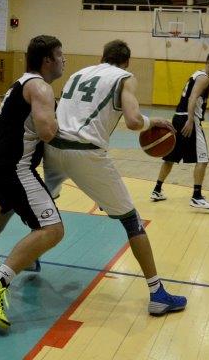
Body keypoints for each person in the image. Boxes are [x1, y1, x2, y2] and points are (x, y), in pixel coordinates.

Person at [44, 39, 187, 317]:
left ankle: (19, 255)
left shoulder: (78, 73)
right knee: (132, 221)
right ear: (126, 62)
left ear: (102, 56)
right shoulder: (124, 77)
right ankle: (158, 294)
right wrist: (154, 122)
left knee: (44, 206)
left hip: (53, 148)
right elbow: (133, 121)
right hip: (85, 153)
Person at [0, 35, 65, 330]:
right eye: (60, 55)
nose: (64, 60)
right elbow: (48, 132)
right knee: (52, 229)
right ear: (47, 60)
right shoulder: (41, 87)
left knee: (7, 205)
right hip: (14, 168)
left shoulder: (20, 83)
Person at [150, 51, 209, 210]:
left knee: (170, 157)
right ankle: (196, 196)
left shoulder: (196, 75)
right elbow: (192, 98)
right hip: (188, 119)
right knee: (203, 159)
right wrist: (190, 120)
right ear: (208, 62)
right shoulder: (204, 78)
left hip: (178, 117)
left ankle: (157, 190)